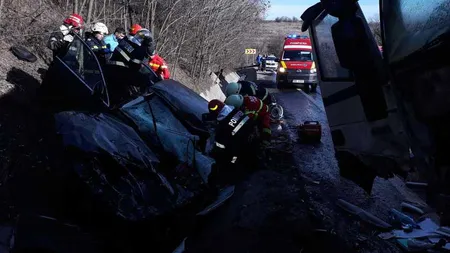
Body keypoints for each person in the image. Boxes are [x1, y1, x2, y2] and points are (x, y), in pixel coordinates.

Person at [105, 28, 156, 104]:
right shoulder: (139, 51)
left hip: (110, 70)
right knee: (146, 81)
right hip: (120, 73)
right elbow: (135, 67)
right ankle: (143, 102)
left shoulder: (125, 41)